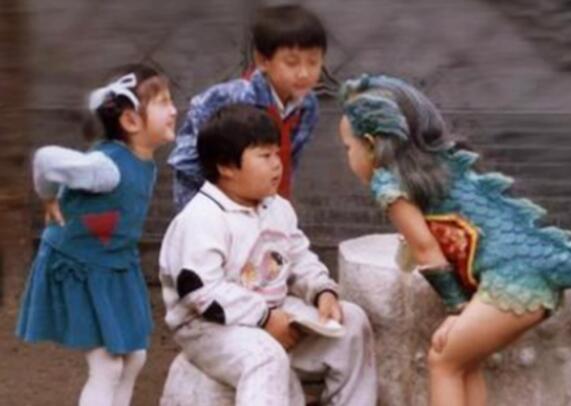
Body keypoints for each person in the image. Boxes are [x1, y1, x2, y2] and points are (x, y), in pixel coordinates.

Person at [337, 74, 571, 406]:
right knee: (464, 361)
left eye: (348, 147)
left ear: (371, 144)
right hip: (520, 272)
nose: (348, 156)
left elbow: (425, 248)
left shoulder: (389, 183)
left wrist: (457, 309)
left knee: (443, 360)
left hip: (515, 281)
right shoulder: (439, 168)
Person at [159, 104, 377, 406]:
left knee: (352, 321)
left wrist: (322, 292)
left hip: (275, 312)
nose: (277, 164)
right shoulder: (202, 218)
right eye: (265, 156)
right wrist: (264, 319)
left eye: (277, 153)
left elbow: (298, 257)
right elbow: (201, 293)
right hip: (209, 328)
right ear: (226, 166)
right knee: (265, 356)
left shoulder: (277, 207)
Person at [16, 64, 177, 406]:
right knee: (107, 365)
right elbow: (45, 159)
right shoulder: (106, 168)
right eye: (163, 102)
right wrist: (47, 197)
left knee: (135, 357)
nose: (174, 109)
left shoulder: (142, 160)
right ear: (131, 121)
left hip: (113, 264)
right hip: (78, 266)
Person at [168, 4, 327, 210]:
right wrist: (223, 204)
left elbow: (290, 161)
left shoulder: (308, 106)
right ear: (262, 60)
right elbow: (186, 161)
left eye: (313, 62)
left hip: (265, 205)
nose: (304, 73)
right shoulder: (229, 99)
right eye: (291, 63)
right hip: (213, 207)